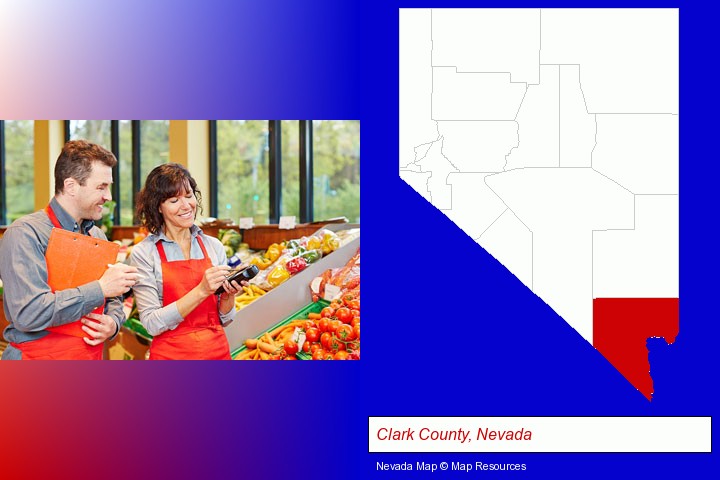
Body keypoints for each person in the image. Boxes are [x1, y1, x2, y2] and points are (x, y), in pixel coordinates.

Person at [0, 140, 139, 360]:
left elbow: (113, 298)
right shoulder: (25, 233)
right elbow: (29, 313)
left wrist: (113, 323)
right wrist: (99, 288)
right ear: (71, 186)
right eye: (101, 187)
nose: (109, 196)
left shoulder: (98, 236)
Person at [130, 163, 243, 360]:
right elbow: (151, 323)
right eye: (174, 200)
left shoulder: (213, 246)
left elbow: (225, 318)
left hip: (217, 353)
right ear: (158, 206)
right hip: (171, 357)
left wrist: (228, 296)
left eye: (189, 196)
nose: (186, 206)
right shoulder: (144, 253)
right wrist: (201, 290)